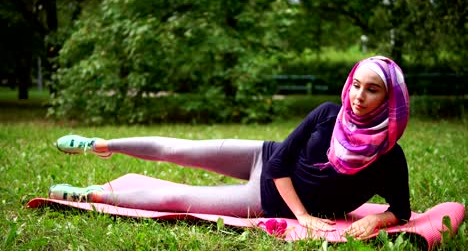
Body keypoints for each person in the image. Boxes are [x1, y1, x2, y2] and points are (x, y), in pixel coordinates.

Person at [49, 56, 411, 239]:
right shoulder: (328, 114)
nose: (358, 96)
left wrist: (379, 219)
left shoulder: (390, 157)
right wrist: (302, 217)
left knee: (178, 197)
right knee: (181, 150)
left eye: (372, 89)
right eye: (356, 85)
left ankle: (89, 195)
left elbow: (402, 210)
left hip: (265, 199)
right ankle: (100, 144)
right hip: (266, 158)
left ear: (390, 98)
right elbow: (279, 163)